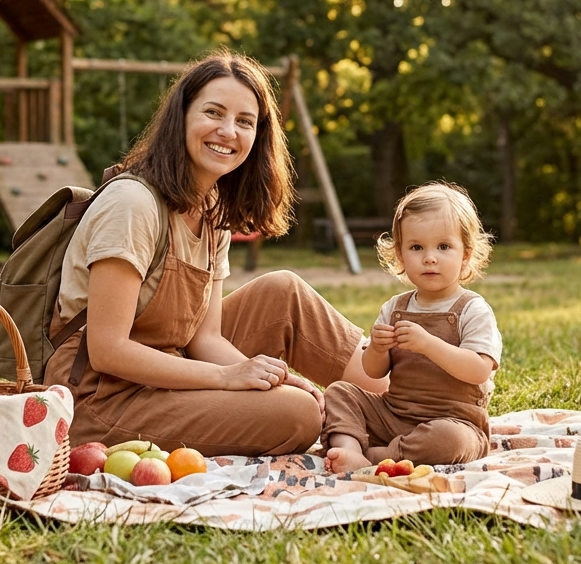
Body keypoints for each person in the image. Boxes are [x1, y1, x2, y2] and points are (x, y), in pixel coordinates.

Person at [43, 50, 386, 457]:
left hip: (169, 365)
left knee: (283, 292)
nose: (228, 131)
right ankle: (365, 418)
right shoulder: (132, 205)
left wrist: (271, 377)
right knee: (298, 415)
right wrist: (227, 377)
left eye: (244, 121)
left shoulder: (211, 210)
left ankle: (405, 404)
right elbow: (107, 349)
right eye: (213, 113)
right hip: (99, 399)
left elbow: (205, 338)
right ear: (182, 116)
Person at [322, 181, 502, 473]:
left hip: (454, 420)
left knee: (450, 441)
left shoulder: (473, 309)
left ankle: (374, 455)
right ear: (401, 255)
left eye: (444, 246)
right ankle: (348, 449)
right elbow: (373, 371)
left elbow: (479, 370)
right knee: (340, 392)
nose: (429, 257)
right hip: (395, 413)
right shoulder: (395, 308)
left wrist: (428, 343)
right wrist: (379, 349)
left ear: (466, 254)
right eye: (416, 247)